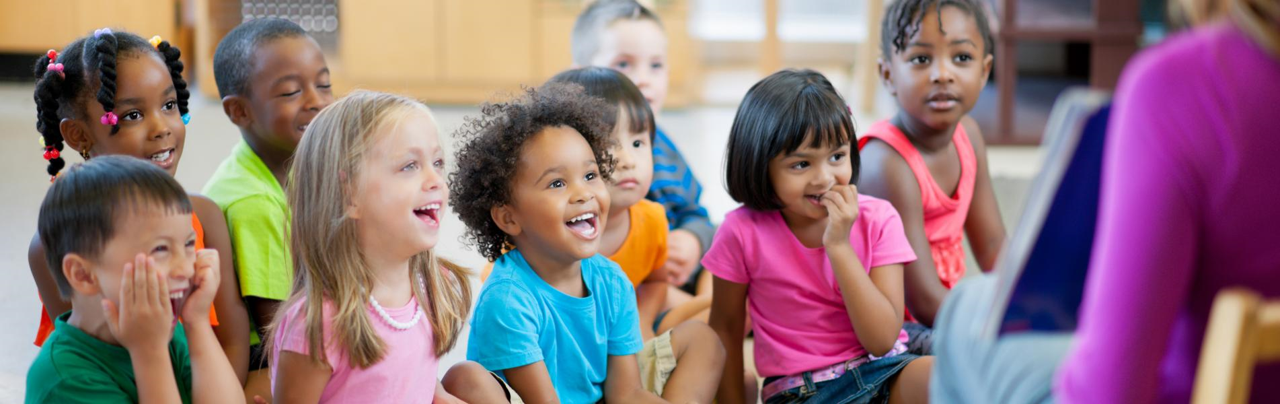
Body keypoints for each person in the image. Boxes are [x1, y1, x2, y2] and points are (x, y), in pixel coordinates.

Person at [453, 83, 726, 403]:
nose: (583, 194)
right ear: (509, 218)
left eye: (591, 175)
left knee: (702, 339)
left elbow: (626, 394)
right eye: (557, 183)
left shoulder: (611, 280)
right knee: (465, 379)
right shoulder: (509, 299)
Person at [27, 28, 249, 382]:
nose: (162, 127)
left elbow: (234, 342)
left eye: (169, 104)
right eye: (132, 115)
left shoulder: (204, 217)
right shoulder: (56, 244)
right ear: (79, 135)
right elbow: (90, 363)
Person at [706, 69, 931, 404]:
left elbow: (882, 339)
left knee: (947, 376)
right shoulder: (740, 232)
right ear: (759, 165)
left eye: (837, 156)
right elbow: (724, 329)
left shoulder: (879, 218)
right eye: (801, 164)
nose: (824, 178)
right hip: (800, 392)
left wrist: (839, 246)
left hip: (884, 368)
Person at [264, 91, 495, 403]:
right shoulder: (318, 323)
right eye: (410, 166)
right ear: (350, 195)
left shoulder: (428, 290)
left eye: (437, 162)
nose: (436, 180)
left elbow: (425, 390)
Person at [25, 156, 242, 403]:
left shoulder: (166, 331)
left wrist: (198, 323)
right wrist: (149, 353)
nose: (185, 268)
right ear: (83, 275)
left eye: (189, 243)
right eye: (160, 249)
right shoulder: (64, 379)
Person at [858, 0, 1005, 354]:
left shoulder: (968, 135)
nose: (943, 73)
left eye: (962, 58)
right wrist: (997, 322)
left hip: (939, 310)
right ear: (888, 75)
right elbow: (922, 299)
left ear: (985, 72)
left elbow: (992, 247)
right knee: (983, 357)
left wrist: (1030, 299)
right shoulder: (886, 163)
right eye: (921, 59)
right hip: (892, 328)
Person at [203, 17, 335, 400]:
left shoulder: (288, 164)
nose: (317, 101)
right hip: (261, 353)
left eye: (324, 84)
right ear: (239, 111)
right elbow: (279, 331)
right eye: (292, 92)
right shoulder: (253, 202)